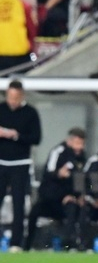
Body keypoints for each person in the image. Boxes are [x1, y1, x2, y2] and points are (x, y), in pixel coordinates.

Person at [24, 127, 86, 252]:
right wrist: (59, 174)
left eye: (82, 144)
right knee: (34, 212)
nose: (80, 147)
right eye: (77, 143)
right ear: (70, 140)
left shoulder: (81, 157)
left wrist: (78, 196)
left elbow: (80, 180)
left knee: (77, 208)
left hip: (68, 199)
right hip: (50, 198)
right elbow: (48, 174)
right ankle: (27, 245)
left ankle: (69, 245)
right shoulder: (58, 152)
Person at [0, 80, 41, 252]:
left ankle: (15, 243)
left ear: (22, 96)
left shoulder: (30, 113)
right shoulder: (1, 109)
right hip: (1, 162)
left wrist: (15, 135)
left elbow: (36, 138)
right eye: (10, 97)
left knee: (19, 203)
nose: (12, 101)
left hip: (20, 163)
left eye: (16, 98)